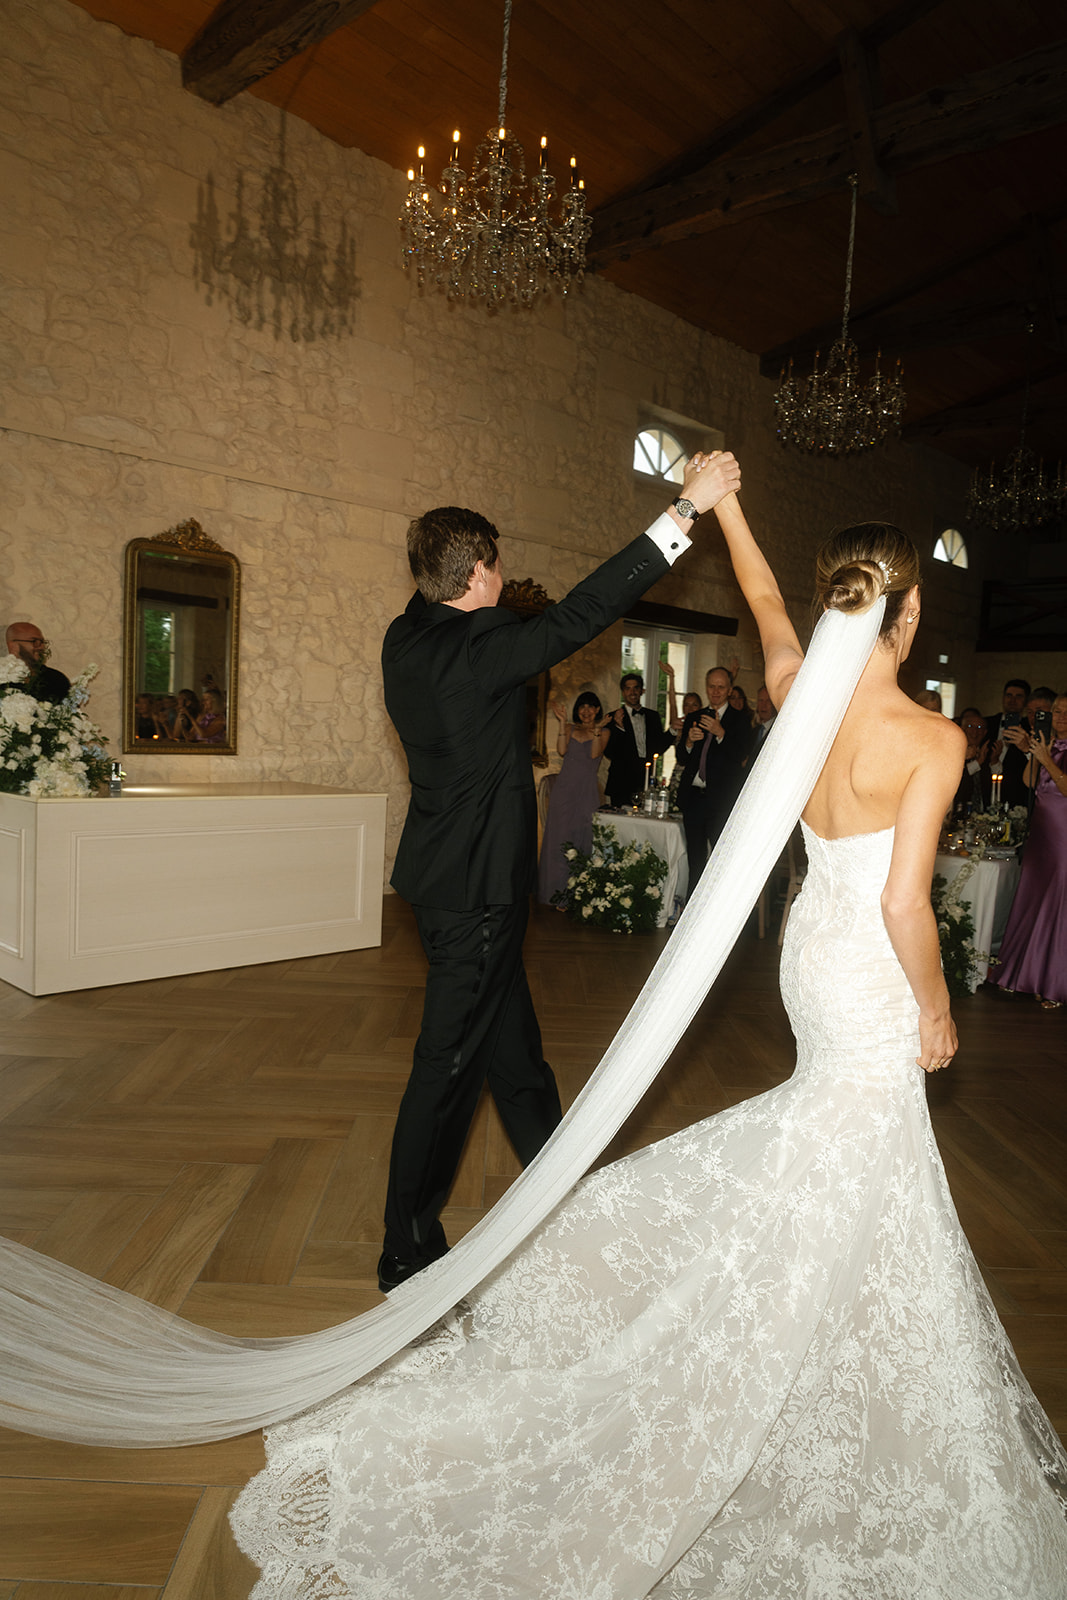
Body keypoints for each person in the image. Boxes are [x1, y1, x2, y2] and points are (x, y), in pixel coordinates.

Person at [226, 501, 1067, 1594]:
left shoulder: (794, 692)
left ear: (838, 606)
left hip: (808, 961)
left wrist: (728, 509)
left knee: (825, 1140)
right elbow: (906, 903)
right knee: (857, 1146)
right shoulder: (934, 738)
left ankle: (796, 1321)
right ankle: (773, 1324)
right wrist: (937, 1007)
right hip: (865, 966)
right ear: (905, 614)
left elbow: (761, 601)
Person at [378, 456, 740, 1293]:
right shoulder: (481, 644)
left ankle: (556, 1184)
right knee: (447, 1066)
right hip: (477, 894)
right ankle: (405, 1246)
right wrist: (684, 510)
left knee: (513, 1054)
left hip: (442, 882)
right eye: (497, 565)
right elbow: (581, 612)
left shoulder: (405, 637)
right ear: (479, 571)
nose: (503, 577)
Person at [993, 693, 1067, 1009]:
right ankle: (1020, 973)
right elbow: (1030, 782)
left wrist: (1046, 758)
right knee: (1033, 897)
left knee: (1057, 903)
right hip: (1042, 834)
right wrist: (1032, 752)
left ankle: (1053, 983)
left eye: (1066, 712)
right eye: (1057, 711)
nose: (1060, 716)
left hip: (1063, 836)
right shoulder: (1049, 744)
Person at [674, 664, 752, 885]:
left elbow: (740, 755)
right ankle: (690, 905)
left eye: (721, 687)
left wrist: (721, 733)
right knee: (695, 861)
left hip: (721, 802)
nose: (716, 691)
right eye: (711, 687)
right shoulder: (694, 717)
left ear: (729, 690)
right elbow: (682, 757)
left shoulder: (740, 719)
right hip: (693, 799)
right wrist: (689, 742)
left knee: (720, 861)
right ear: (706, 687)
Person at [537, 691, 609, 905]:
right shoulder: (569, 728)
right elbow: (561, 751)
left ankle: (578, 896)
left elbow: (594, 754)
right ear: (577, 710)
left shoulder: (604, 731)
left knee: (583, 838)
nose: (586, 711)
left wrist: (597, 729)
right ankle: (555, 893)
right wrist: (561, 722)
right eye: (582, 707)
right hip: (564, 791)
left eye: (590, 707)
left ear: (597, 709)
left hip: (586, 792)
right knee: (559, 839)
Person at [604, 670, 673, 805]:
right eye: (628, 689)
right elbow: (609, 752)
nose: (632, 692)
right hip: (621, 782)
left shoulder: (653, 716)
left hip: (646, 780)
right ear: (623, 692)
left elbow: (658, 747)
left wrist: (673, 731)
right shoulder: (612, 717)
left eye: (636, 688)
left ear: (642, 691)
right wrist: (619, 728)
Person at [987, 677, 1031, 808]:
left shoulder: (1030, 730)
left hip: (1017, 799)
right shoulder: (987, 724)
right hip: (986, 794)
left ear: (1026, 701)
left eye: (1018, 696)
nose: (1012, 700)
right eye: (1009, 695)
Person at [5, 621, 70, 703]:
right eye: (34, 641)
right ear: (13, 646)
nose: (41, 647)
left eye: (42, 642)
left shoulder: (57, 680)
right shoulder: (3, 679)